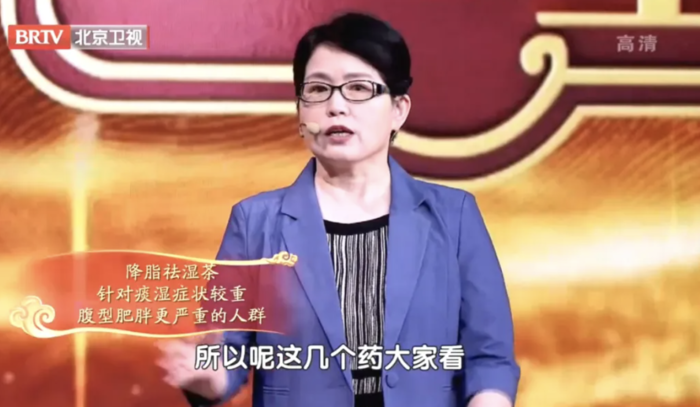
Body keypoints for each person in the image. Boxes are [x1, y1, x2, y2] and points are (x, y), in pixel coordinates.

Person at [157, 12, 520, 407]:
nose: (336, 106)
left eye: (359, 88)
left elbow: (490, 359)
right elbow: (225, 355)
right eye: (318, 90)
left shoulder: (454, 217)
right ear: (301, 110)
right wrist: (208, 377)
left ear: (398, 110)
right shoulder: (254, 223)